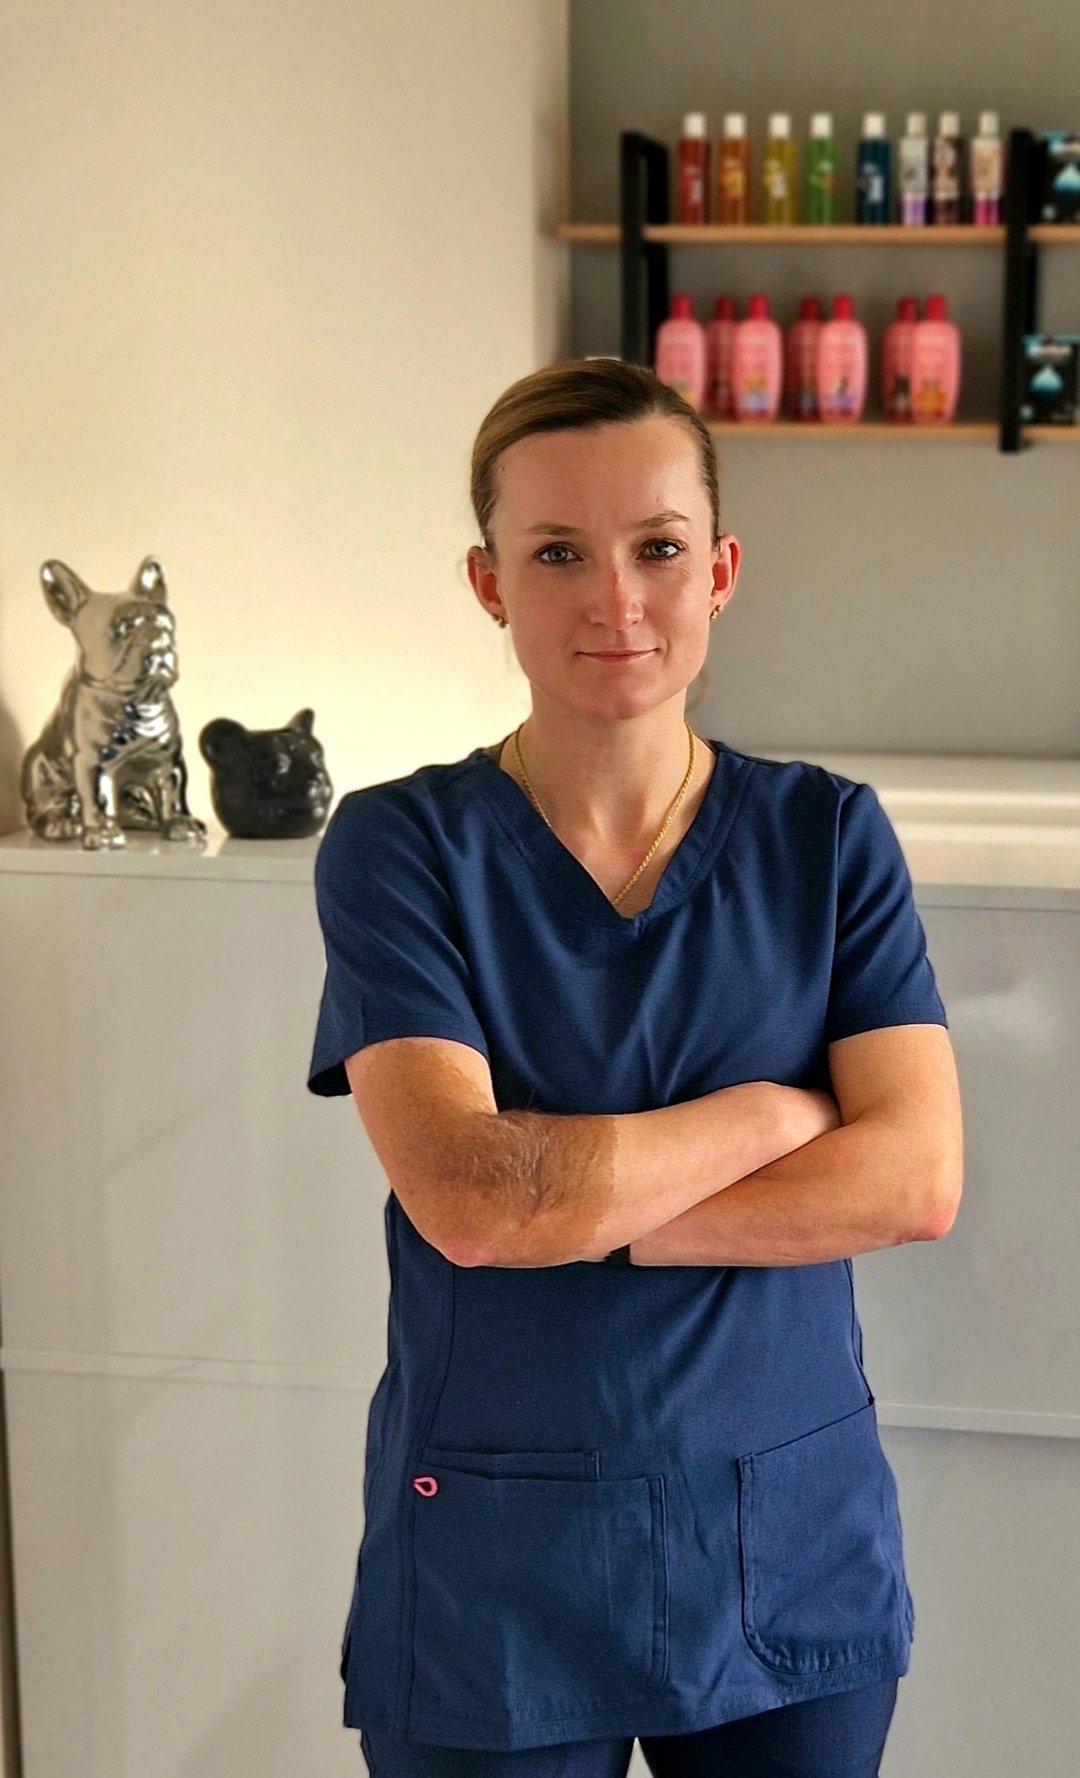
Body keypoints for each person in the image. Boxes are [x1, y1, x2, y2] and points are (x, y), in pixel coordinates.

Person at [306, 358, 962, 1778]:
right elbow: (473, 1200)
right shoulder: (401, 849)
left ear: (719, 571)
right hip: (495, 1559)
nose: (616, 599)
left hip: (784, 1541)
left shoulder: (827, 839)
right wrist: (774, 1115)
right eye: (558, 553)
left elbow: (913, 1178)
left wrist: (584, 1209)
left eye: (658, 548)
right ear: (488, 583)